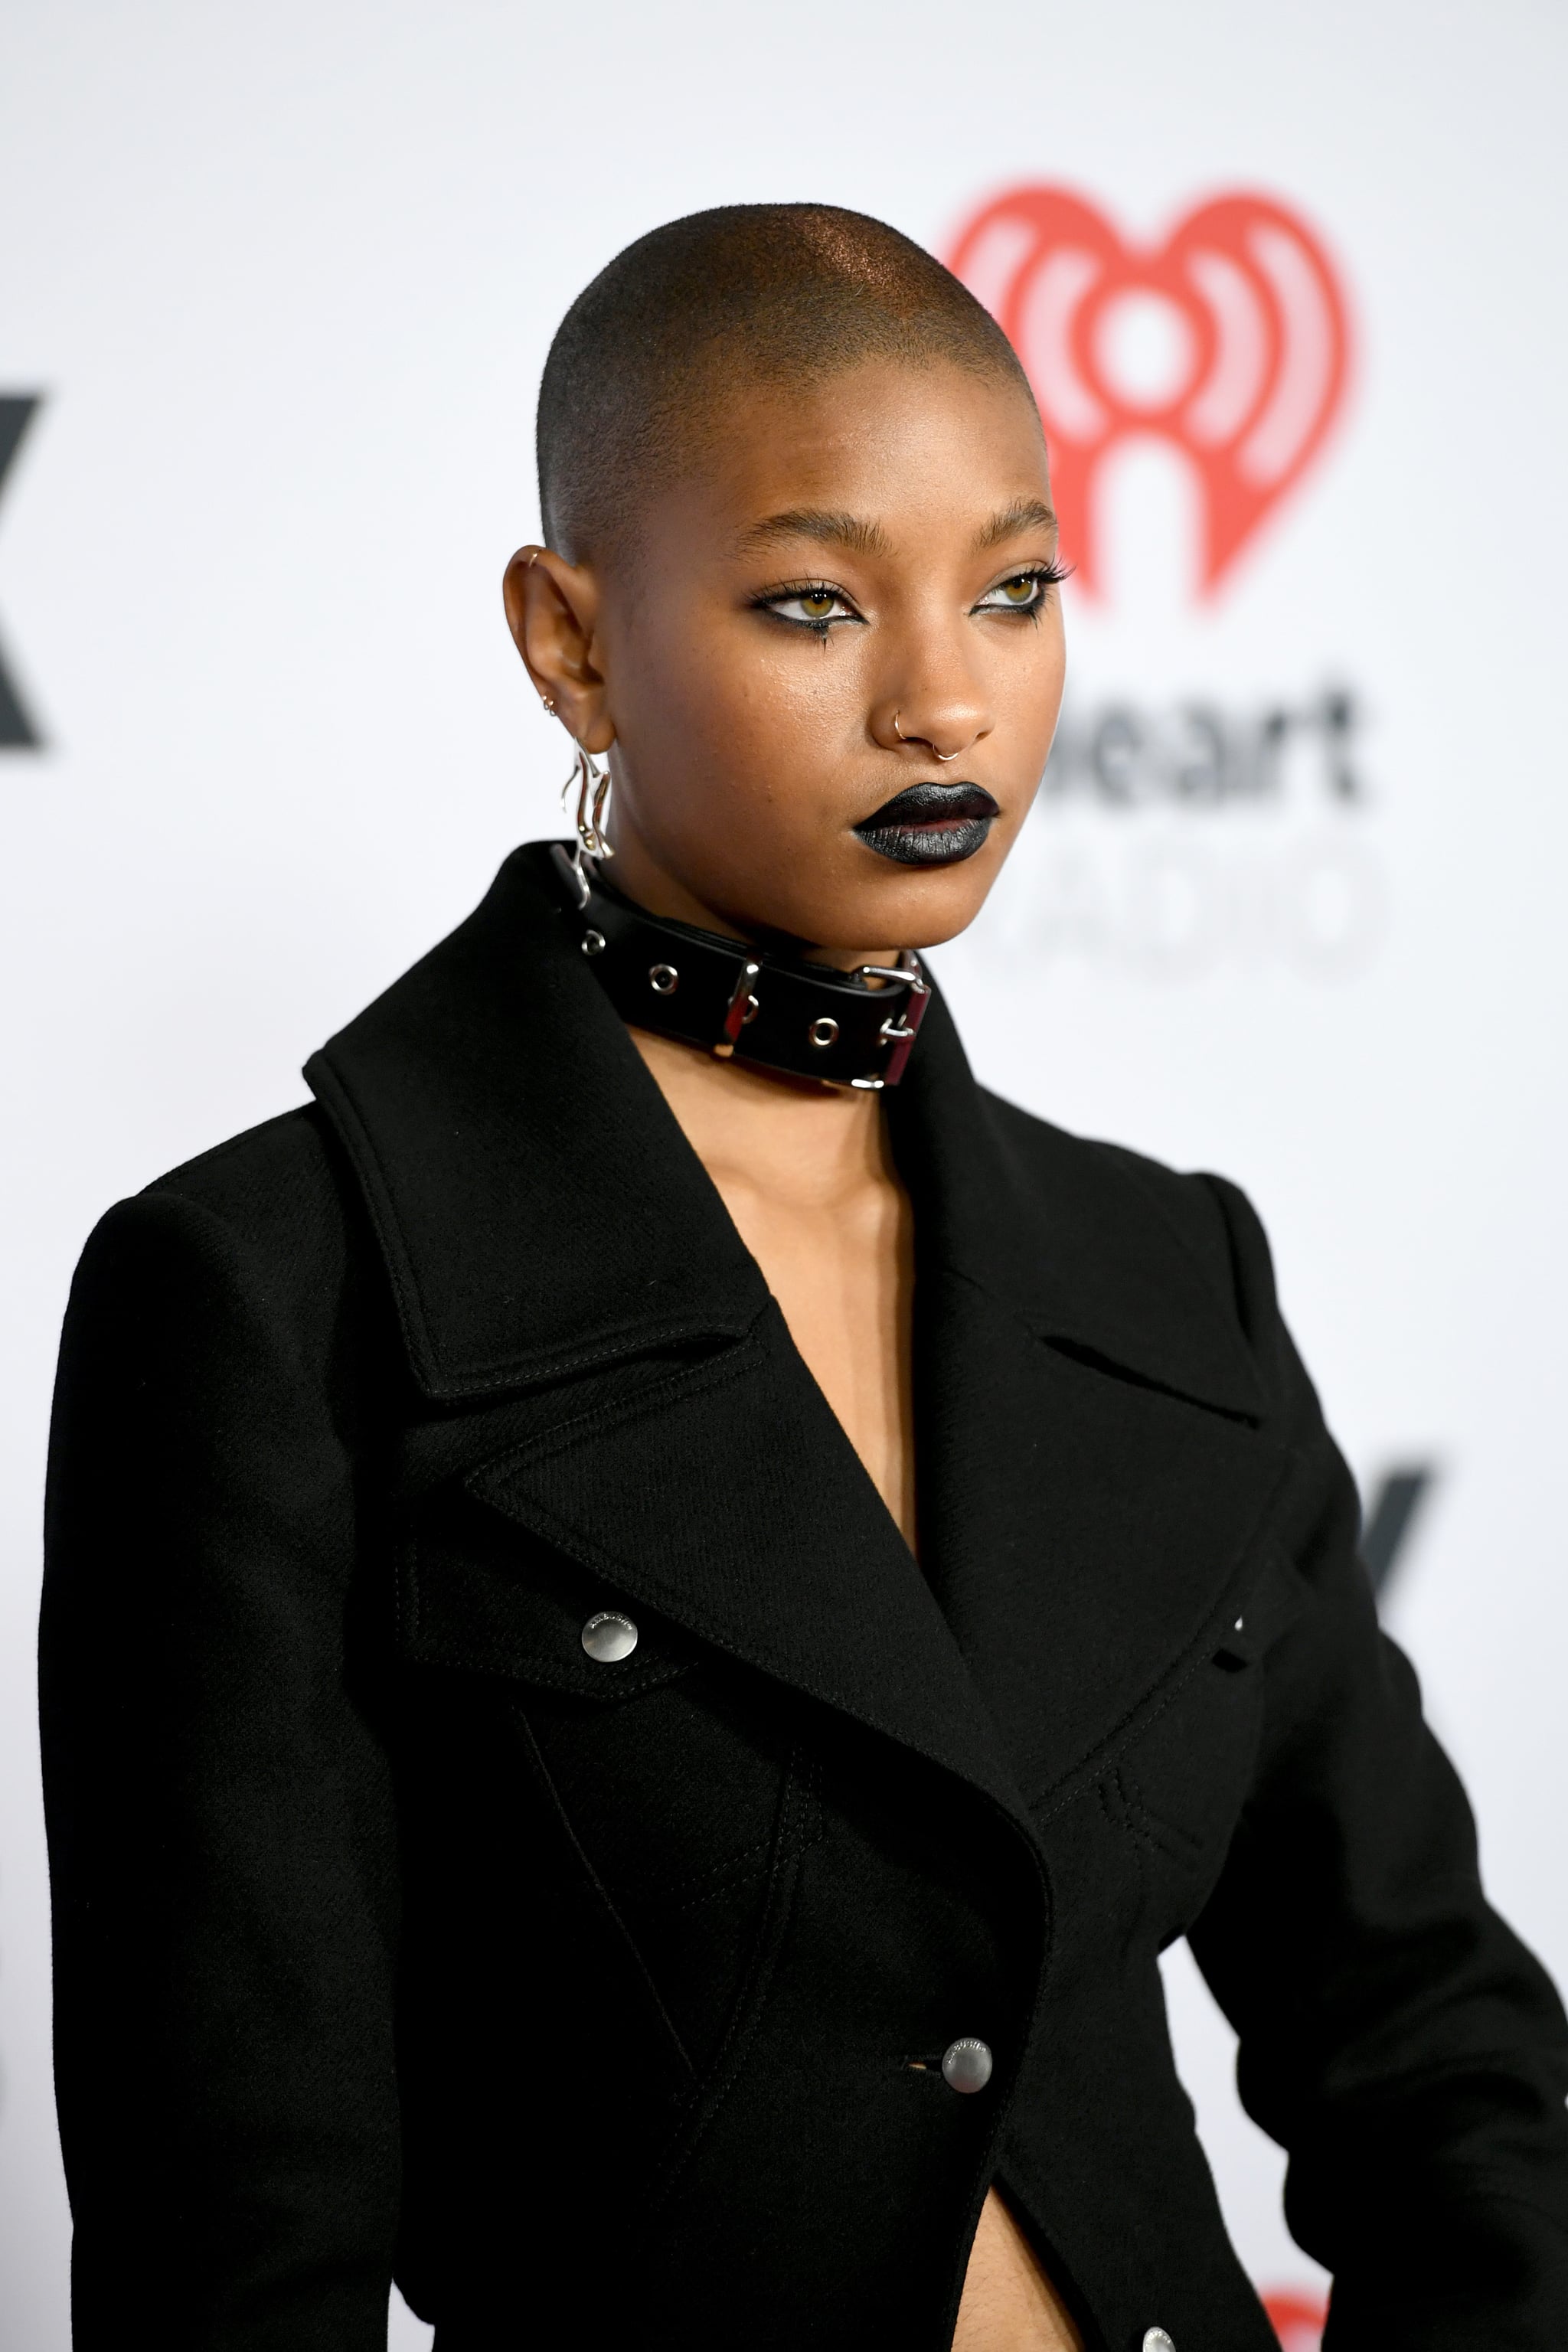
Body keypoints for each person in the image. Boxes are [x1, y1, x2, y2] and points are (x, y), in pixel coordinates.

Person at [39, 204, 1568, 2352]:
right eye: (811, 605)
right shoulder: (266, 1298)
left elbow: (1448, 2065)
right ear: (573, 642)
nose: (945, 697)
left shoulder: (1170, 1273)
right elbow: (231, 2247)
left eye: (1018, 591)